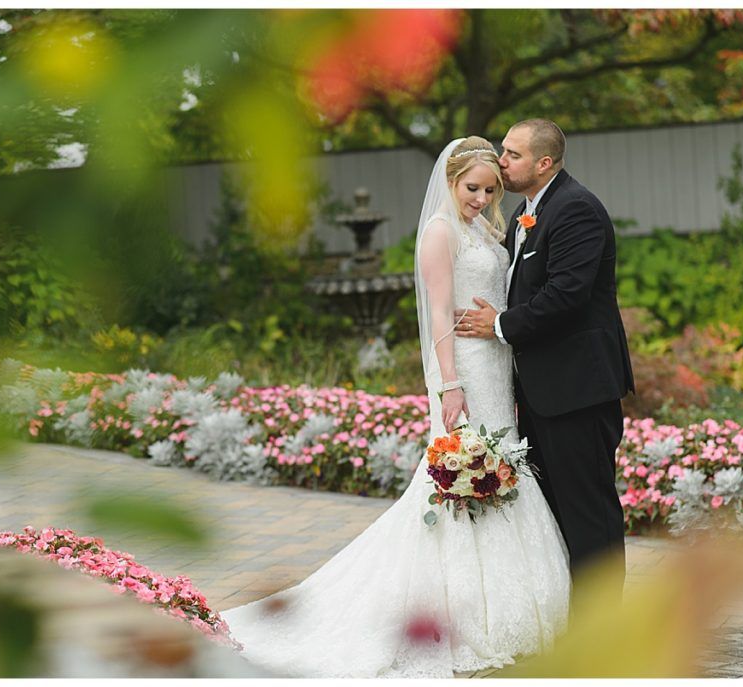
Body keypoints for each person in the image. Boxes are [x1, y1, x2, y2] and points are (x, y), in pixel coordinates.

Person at [220, 137, 570, 678]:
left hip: (497, 368)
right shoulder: (440, 232)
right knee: (463, 474)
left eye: (489, 189)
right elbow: (436, 317)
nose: (480, 198)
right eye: (471, 188)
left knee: (502, 470)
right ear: (451, 182)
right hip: (466, 372)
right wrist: (449, 384)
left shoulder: (487, 230)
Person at [456, 119, 634, 605]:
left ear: (544, 163)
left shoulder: (575, 209)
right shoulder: (525, 211)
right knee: (555, 508)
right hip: (541, 390)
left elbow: (567, 295)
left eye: (512, 154)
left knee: (588, 510)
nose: (501, 160)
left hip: (578, 388)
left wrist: (499, 326)